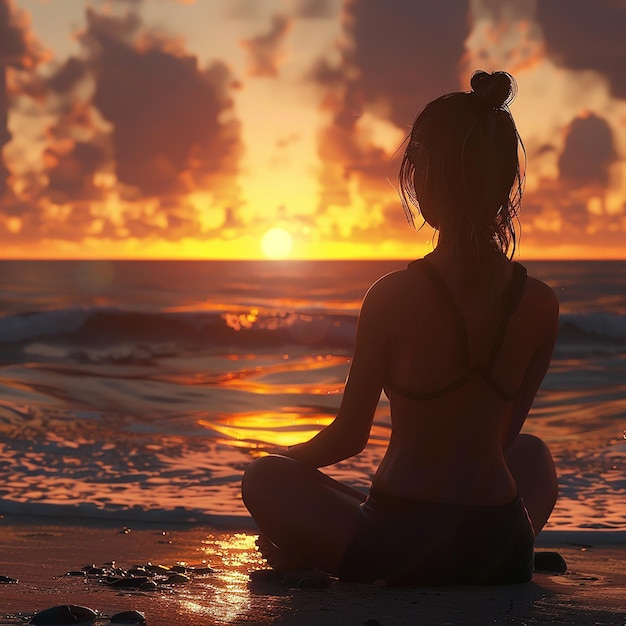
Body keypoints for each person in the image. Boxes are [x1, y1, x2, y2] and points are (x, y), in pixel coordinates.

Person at [241, 70, 559, 586]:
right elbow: (503, 439)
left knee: (264, 478)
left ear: (423, 175)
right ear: (505, 181)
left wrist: (282, 462)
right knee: (533, 455)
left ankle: (306, 548)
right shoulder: (541, 304)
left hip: (397, 546)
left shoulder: (393, 295)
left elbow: (348, 437)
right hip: (501, 546)